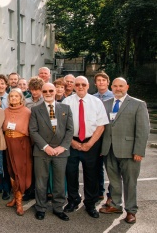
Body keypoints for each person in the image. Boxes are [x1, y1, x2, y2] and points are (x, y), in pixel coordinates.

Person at [98, 78, 150, 224]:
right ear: (111, 87)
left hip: (130, 152)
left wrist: (139, 151)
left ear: (127, 86)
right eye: (115, 86)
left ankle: (131, 211)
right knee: (114, 181)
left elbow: (143, 130)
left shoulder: (138, 104)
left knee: (130, 182)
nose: (118, 88)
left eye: (121, 86)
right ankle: (115, 205)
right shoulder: (105, 104)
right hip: (109, 150)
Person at [62, 76, 109, 219]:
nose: (80, 87)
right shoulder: (67, 102)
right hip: (72, 142)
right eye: (78, 84)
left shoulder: (96, 102)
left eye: (83, 84)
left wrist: (90, 143)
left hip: (91, 142)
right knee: (70, 173)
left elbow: (101, 125)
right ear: (74, 86)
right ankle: (73, 200)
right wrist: (72, 142)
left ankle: (90, 203)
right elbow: (62, 125)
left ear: (88, 86)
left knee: (91, 174)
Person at [29, 82, 74, 221]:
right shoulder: (36, 110)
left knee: (59, 182)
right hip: (42, 151)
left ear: (56, 92)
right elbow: (33, 131)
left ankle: (58, 208)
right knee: (41, 181)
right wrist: (45, 147)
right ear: (42, 93)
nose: (48, 93)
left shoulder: (65, 108)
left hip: (60, 151)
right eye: (45, 91)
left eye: (51, 91)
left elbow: (70, 130)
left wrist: (62, 147)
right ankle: (41, 208)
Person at [2, 88, 32, 216]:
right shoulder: (5, 111)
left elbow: (29, 129)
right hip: (8, 142)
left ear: (21, 98)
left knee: (20, 172)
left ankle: (19, 202)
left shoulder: (27, 112)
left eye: (16, 96)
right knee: (11, 171)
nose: (14, 98)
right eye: (12, 96)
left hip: (21, 143)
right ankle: (15, 197)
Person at [92, 72, 114, 202]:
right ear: (95, 83)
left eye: (103, 80)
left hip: (109, 136)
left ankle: (112, 195)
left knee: (112, 168)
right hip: (96, 136)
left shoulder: (113, 96)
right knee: (96, 166)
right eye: (98, 80)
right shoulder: (92, 98)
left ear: (108, 82)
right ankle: (99, 191)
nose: (101, 82)